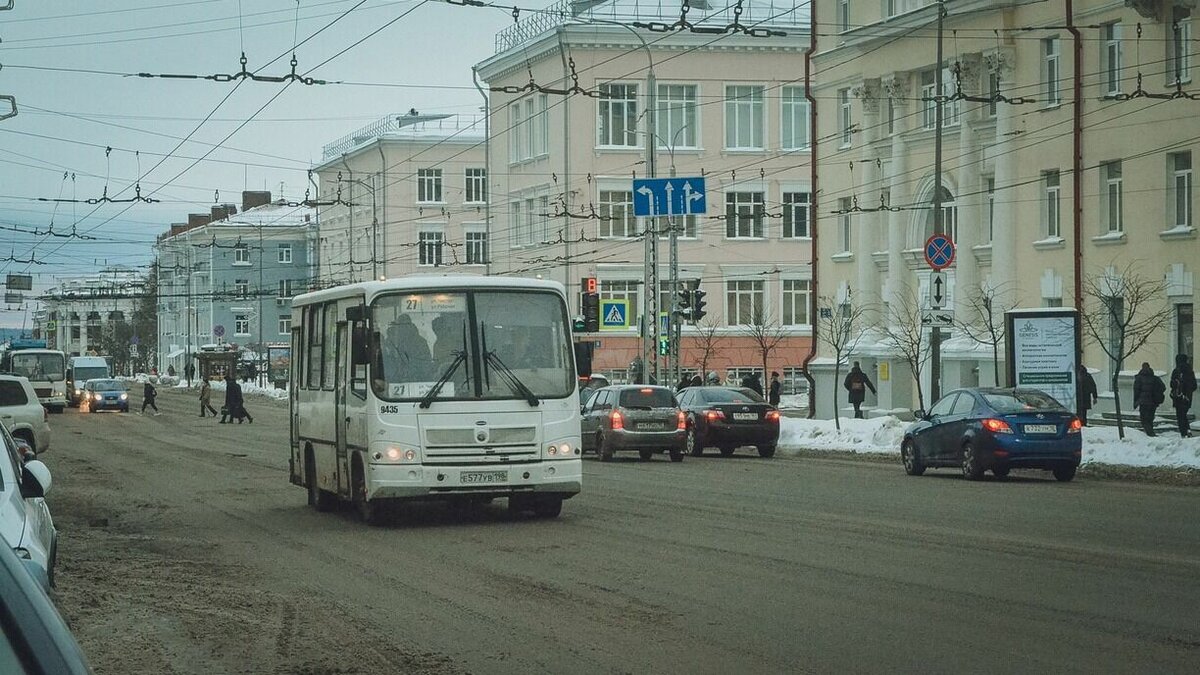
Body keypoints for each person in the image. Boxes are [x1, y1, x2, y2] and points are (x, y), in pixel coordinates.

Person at [1132, 362, 1166, 437]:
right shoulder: (1155, 378)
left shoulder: (1139, 378)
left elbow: (1136, 391)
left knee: (1144, 419)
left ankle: (1150, 434)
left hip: (1143, 402)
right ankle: (1151, 432)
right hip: (1153, 402)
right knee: (1150, 418)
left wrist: (1135, 402)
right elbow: (1163, 387)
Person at [1169, 353, 1197, 438]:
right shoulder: (1190, 371)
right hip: (1187, 397)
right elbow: (1194, 386)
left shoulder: (1176, 371)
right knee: (1183, 414)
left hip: (1178, 397)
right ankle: (1187, 430)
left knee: (1180, 415)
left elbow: (1172, 384)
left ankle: (1184, 432)